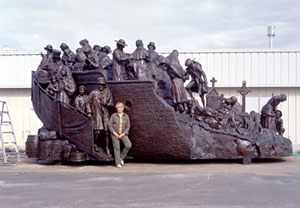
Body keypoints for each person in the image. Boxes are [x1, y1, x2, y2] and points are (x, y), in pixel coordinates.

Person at [86, 77, 113, 155]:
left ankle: (107, 147)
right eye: (99, 84)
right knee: (97, 131)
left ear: (104, 85)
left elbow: (111, 103)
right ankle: (95, 144)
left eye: (102, 85)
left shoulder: (108, 93)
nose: (100, 86)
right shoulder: (94, 92)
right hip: (97, 113)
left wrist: (107, 104)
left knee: (107, 131)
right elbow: (87, 102)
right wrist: (89, 112)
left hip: (105, 113)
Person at [109, 102, 132, 168]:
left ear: (123, 108)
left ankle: (121, 157)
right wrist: (115, 133)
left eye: (120, 107)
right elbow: (110, 125)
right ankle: (118, 163)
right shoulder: (113, 115)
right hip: (115, 134)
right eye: (117, 108)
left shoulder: (126, 116)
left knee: (128, 145)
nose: (118, 109)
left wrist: (123, 134)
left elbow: (128, 126)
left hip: (123, 134)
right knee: (117, 148)